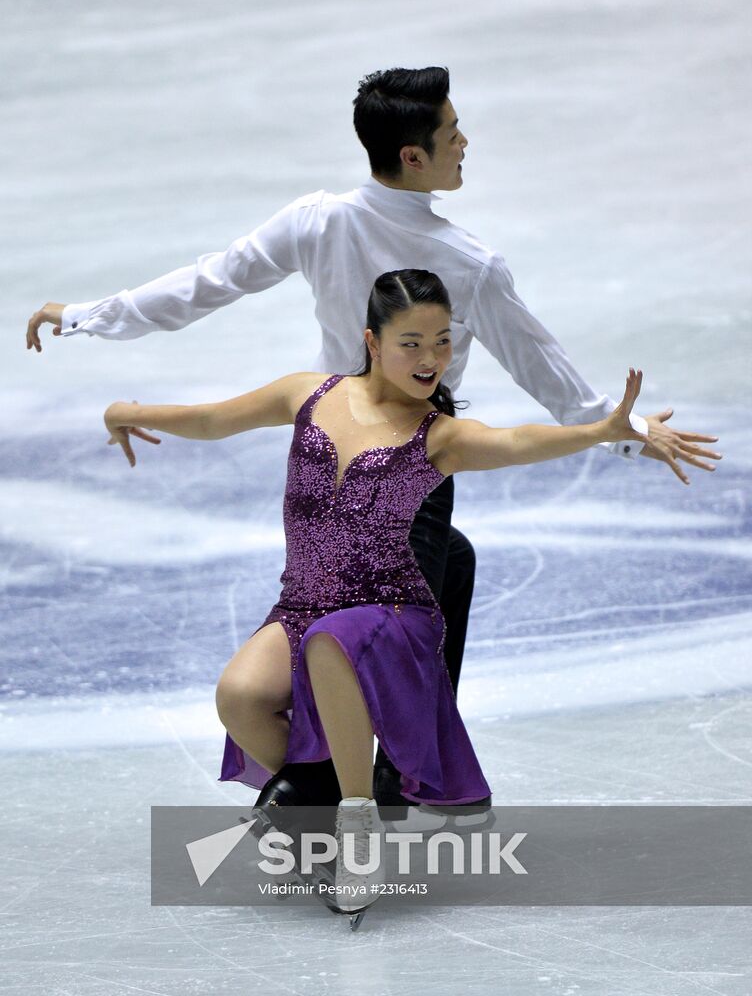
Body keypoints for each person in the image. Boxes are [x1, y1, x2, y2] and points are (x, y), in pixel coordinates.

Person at [27, 67, 720, 811]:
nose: (465, 144)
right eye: (452, 135)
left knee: (429, 576)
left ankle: (360, 770)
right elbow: (544, 372)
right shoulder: (469, 264)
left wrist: (87, 315)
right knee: (367, 632)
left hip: (323, 458)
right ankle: (350, 791)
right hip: (407, 470)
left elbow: (208, 282)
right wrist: (626, 433)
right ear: (413, 156)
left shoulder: (317, 220)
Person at [103, 269, 673, 913]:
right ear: (372, 341)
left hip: (392, 610)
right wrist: (131, 412)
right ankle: (320, 806)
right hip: (302, 602)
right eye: (411, 343)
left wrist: (598, 432)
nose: (430, 359)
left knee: (329, 642)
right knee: (240, 695)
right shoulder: (310, 394)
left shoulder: (438, 435)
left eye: (442, 342)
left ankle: (358, 833)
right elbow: (213, 418)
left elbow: (515, 440)